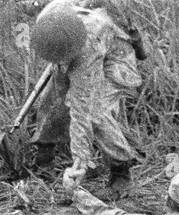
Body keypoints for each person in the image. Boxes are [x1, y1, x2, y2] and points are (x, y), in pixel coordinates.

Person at [25, 1, 146, 196]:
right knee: (52, 98)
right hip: (77, 44)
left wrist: (79, 161)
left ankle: (121, 169)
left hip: (115, 59)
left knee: (96, 113)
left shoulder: (87, 50)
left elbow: (82, 110)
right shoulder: (50, 17)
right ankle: (44, 156)